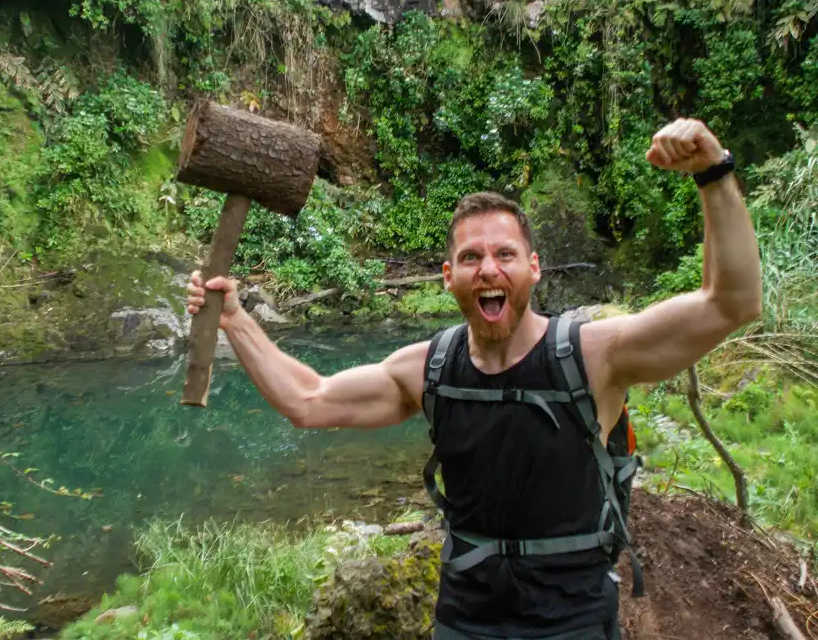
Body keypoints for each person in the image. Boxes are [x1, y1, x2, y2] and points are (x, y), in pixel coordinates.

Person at [185, 118, 762, 639]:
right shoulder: (428, 368)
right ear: (448, 276)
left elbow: (728, 304)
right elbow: (308, 399)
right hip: (466, 620)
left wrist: (714, 173)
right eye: (471, 257)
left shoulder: (595, 355)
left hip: (573, 621)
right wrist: (236, 319)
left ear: (533, 268)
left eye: (506, 254)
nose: (488, 268)